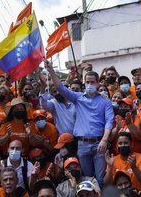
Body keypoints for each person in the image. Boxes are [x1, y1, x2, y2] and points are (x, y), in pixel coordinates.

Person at [45, 60, 114, 188]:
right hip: (82, 144)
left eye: (92, 82)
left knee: (99, 179)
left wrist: (105, 140)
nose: (90, 84)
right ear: (84, 83)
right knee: (86, 179)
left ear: (98, 83)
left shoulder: (105, 101)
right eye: (87, 82)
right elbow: (60, 88)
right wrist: (52, 72)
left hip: (99, 143)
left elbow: (109, 121)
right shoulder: (78, 98)